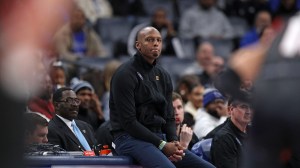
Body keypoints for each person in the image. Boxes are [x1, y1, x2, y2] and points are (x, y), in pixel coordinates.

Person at [109, 26, 215, 168]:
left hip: (158, 137)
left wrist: (173, 143)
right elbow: (129, 122)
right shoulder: (124, 74)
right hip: (129, 138)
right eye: (149, 40)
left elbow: (169, 116)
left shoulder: (163, 75)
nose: (155, 43)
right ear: (138, 45)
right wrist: (162, 145)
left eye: (159, 40)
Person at [210, 90, 252, 168]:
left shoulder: (254, 132)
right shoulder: (224, 138)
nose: (249, 111)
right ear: (230, 110)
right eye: (243, 107)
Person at [47, 87, 96, 151]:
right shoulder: (51, 129)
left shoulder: (86, 126)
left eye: (76, 100)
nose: (75, 104)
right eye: (69, 100)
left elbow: (97, 150)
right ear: (57, 105)